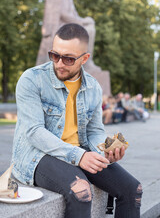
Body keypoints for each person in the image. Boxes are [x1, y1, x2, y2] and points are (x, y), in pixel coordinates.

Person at [11, 23, 142, 218]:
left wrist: (105, 150)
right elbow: (34, 132)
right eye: (55, 55)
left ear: (84, 59)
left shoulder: (93, 87)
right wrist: (79, 156)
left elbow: (94, 130)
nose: (59, 63)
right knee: (81, 191)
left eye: (68, 59)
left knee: (133, 190)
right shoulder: (31, 80)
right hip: (37, 155)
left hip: (79, 150)